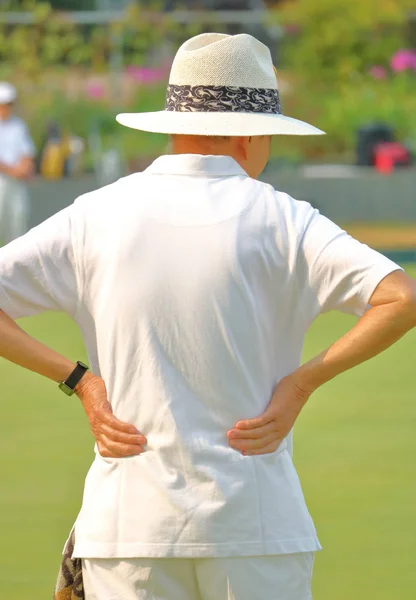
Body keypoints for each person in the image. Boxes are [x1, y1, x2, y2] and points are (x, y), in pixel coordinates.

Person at [0, 33, 415, 600]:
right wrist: (300, 385)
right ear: (248, 134)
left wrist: (82, 383)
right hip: (258, 527)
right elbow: (401, 299)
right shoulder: (286, 220)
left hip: (128, 529)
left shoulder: (96, 214)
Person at [0, 82, 35, 245]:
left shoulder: (19, 125)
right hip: (3, 179)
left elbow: (27, 152)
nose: (6, 108)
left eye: (9, 104)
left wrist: (24, 168)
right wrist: (13, 170)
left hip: (17, 181)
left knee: (18, 219)